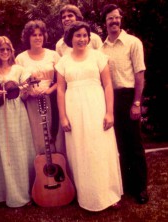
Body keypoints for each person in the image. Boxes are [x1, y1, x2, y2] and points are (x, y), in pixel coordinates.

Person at [55, 21, 123, 211]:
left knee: (100, 149)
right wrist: (63, 117)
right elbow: (60, 90)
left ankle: (109, 195)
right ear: (71, 38)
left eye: (85, 35)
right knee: (81, 151)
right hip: (74, 109)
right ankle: (86, 197)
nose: (82, 39)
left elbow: (108, 85)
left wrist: (109, 112)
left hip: (96, 107)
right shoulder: (63, 62)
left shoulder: (98, 57)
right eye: (78, 35)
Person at [100, 4, 149, 204]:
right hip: (110, 98)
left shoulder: (133, 42)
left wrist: (137, 102)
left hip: (129, 96)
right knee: (117, 144)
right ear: (104, 23)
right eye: (110, 18)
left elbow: (140, 75)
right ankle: (126, 185)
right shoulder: (100, 49)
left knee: (134, 144)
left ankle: (140, 188)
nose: (114, 21)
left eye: (116, 17)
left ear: (121, 19)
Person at [0, 36, 36, 207]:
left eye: (7, 49)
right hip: (0, 114)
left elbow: (26, 94)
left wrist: (26, 90)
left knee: (21, 151)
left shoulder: (19, 69)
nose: (5, 52)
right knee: (5, 152)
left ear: (12, 51)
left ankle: (25, 193)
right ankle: (5, 193)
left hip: (18, 112)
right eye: (1, 50)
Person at [16, 20, 65, 157]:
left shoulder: (53, 55)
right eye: (33, 35)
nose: (37, 38)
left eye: (40, 34)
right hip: (32, 102)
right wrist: (28, 92)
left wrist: (49, 90)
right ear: (28, 38)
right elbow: (18, 84)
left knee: (55, 135)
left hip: (52, 99)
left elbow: (62, 80)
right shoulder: (20, 58)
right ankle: (41, 173)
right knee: (36, 135)